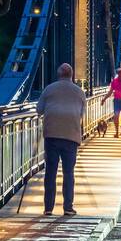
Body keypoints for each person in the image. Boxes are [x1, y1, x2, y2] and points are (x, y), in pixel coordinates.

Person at [36, 63, 86, 216]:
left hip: (52, 135)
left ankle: (48, 208)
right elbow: (82, 115)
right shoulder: (79, 92)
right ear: (71, 75)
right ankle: (68, 207)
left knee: (50, 172)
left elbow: (39, 110)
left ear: (58, 74)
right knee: (68, 172)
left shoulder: (49, 89)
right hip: (71, 136)